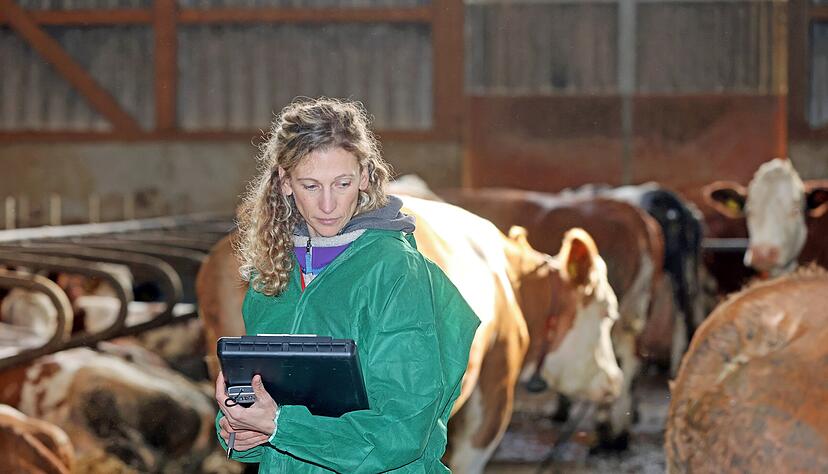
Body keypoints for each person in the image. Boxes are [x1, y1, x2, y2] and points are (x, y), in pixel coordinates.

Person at [213, 97, 479, 473]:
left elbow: (402, 429)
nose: (328, 205)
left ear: (365, 177)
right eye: (310, 185)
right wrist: (241, 428)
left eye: (342, 183)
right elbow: (267, 403)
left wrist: (280, 426)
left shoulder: (395, 272)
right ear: (285, 182)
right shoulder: (273, 273)